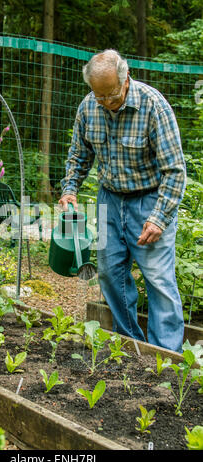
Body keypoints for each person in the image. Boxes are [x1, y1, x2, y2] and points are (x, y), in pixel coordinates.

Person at [59, 49, 186, 353]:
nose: (105, 102)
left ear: (125, 77)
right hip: (110, 201)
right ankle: (131, 346)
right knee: (110, 274)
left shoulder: (153, 105)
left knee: (158, 280)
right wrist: (70, 189)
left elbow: (175, 170)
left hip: (150, 199)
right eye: (99, 96)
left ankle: (165, 357)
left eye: (111, 95)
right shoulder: (89, 107)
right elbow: (79, 154)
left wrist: (159, 216)